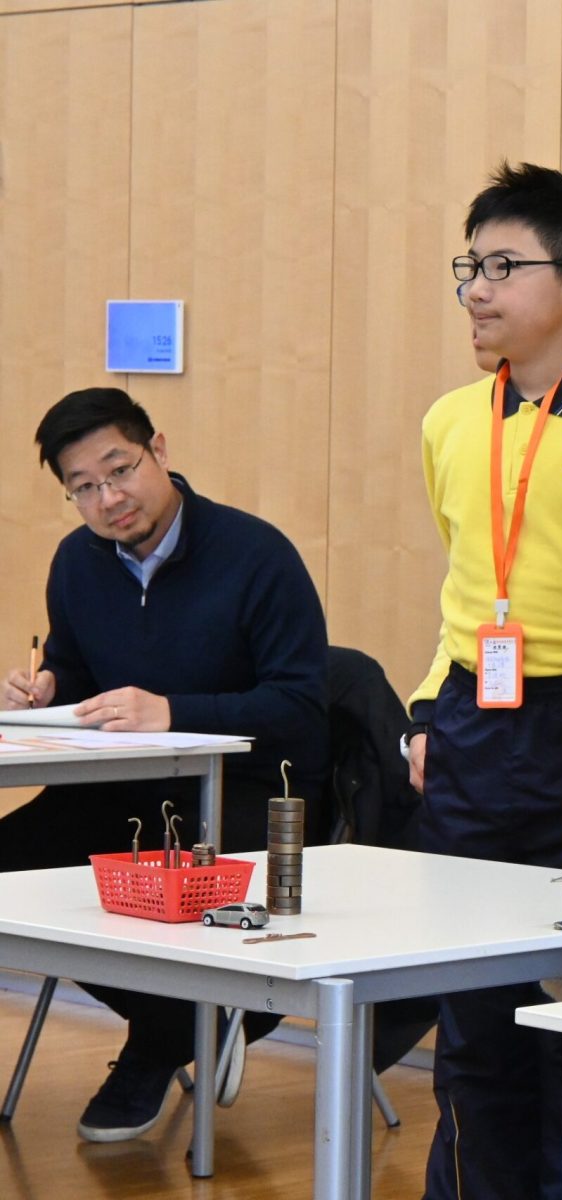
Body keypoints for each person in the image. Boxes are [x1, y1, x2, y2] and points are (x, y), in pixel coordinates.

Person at [406, 160, 562, 1200]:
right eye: (470, 266)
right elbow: (468, 585)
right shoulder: (449, 421)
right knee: (469, 1013)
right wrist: (427, 710)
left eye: (505, 267)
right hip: (471, 721)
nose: (477, 289)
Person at [0, 387, 327, 1141]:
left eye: (120, 470)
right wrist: (44, 690)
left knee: (156, 885)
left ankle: (162, 1041)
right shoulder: (77, 562)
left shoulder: (255, 554)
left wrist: (175, 710)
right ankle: (184, 1025)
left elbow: (301, 705)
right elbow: (79, 677)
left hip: (246, 791)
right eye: (84, 487)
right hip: (124, 788)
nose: (108, 499)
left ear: (160, 450)